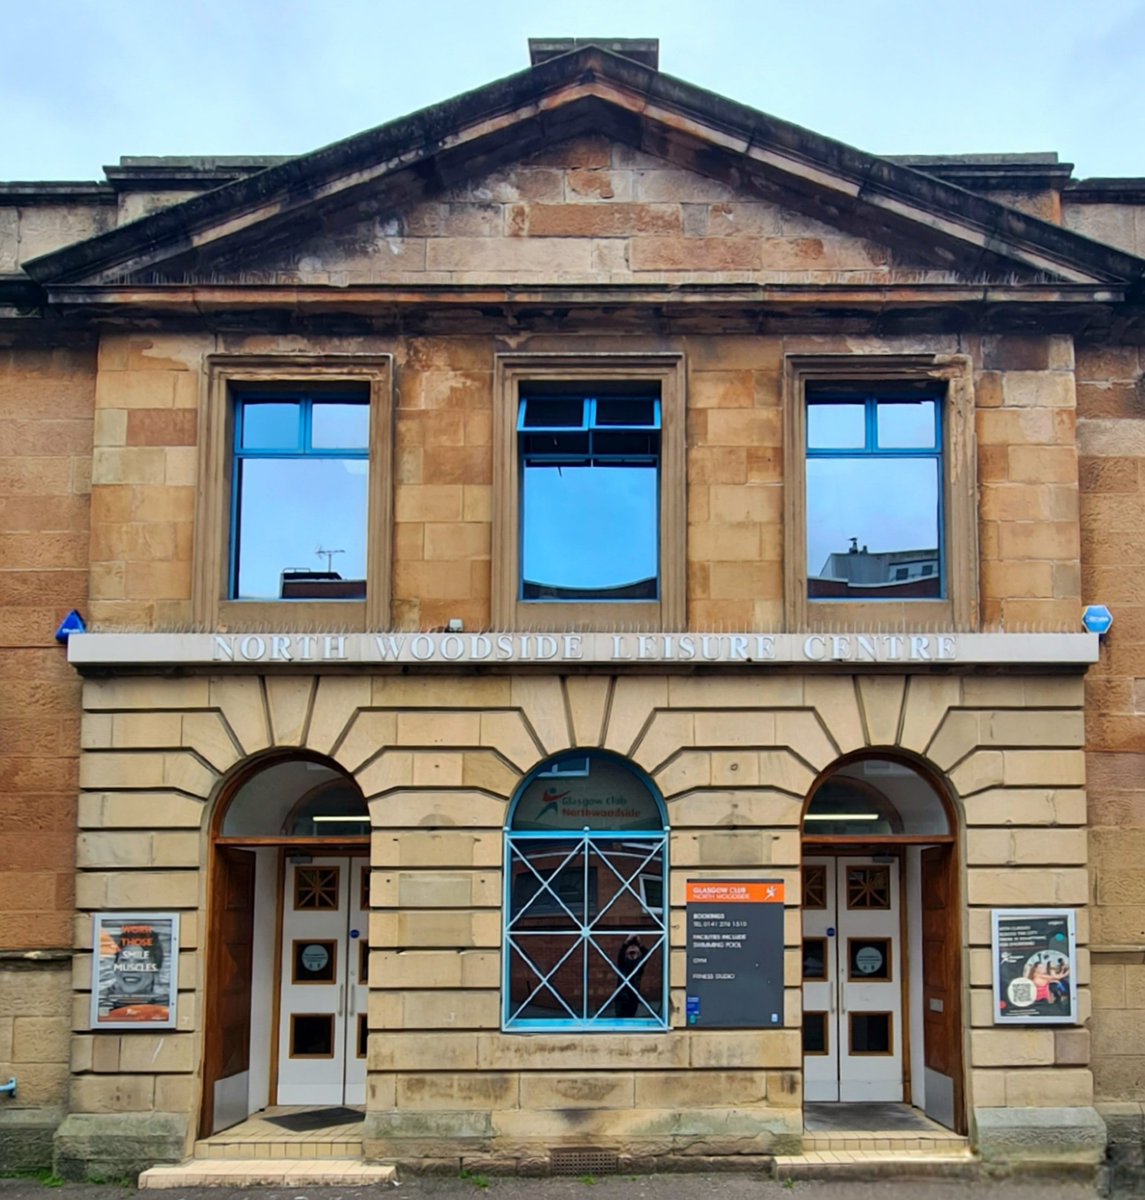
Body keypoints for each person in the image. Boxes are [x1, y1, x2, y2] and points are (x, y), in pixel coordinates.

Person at [614, 935, 648, 1018]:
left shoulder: (639, 964)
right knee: (620, 1018)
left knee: (631, 1017)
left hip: (633, 996)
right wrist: (626, 942)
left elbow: (646, 954)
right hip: (622, 996)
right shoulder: (623, 964)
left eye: (634, 951)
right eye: (630, 951)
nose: (632, 951)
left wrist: (640, 944)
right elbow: (621, 954)